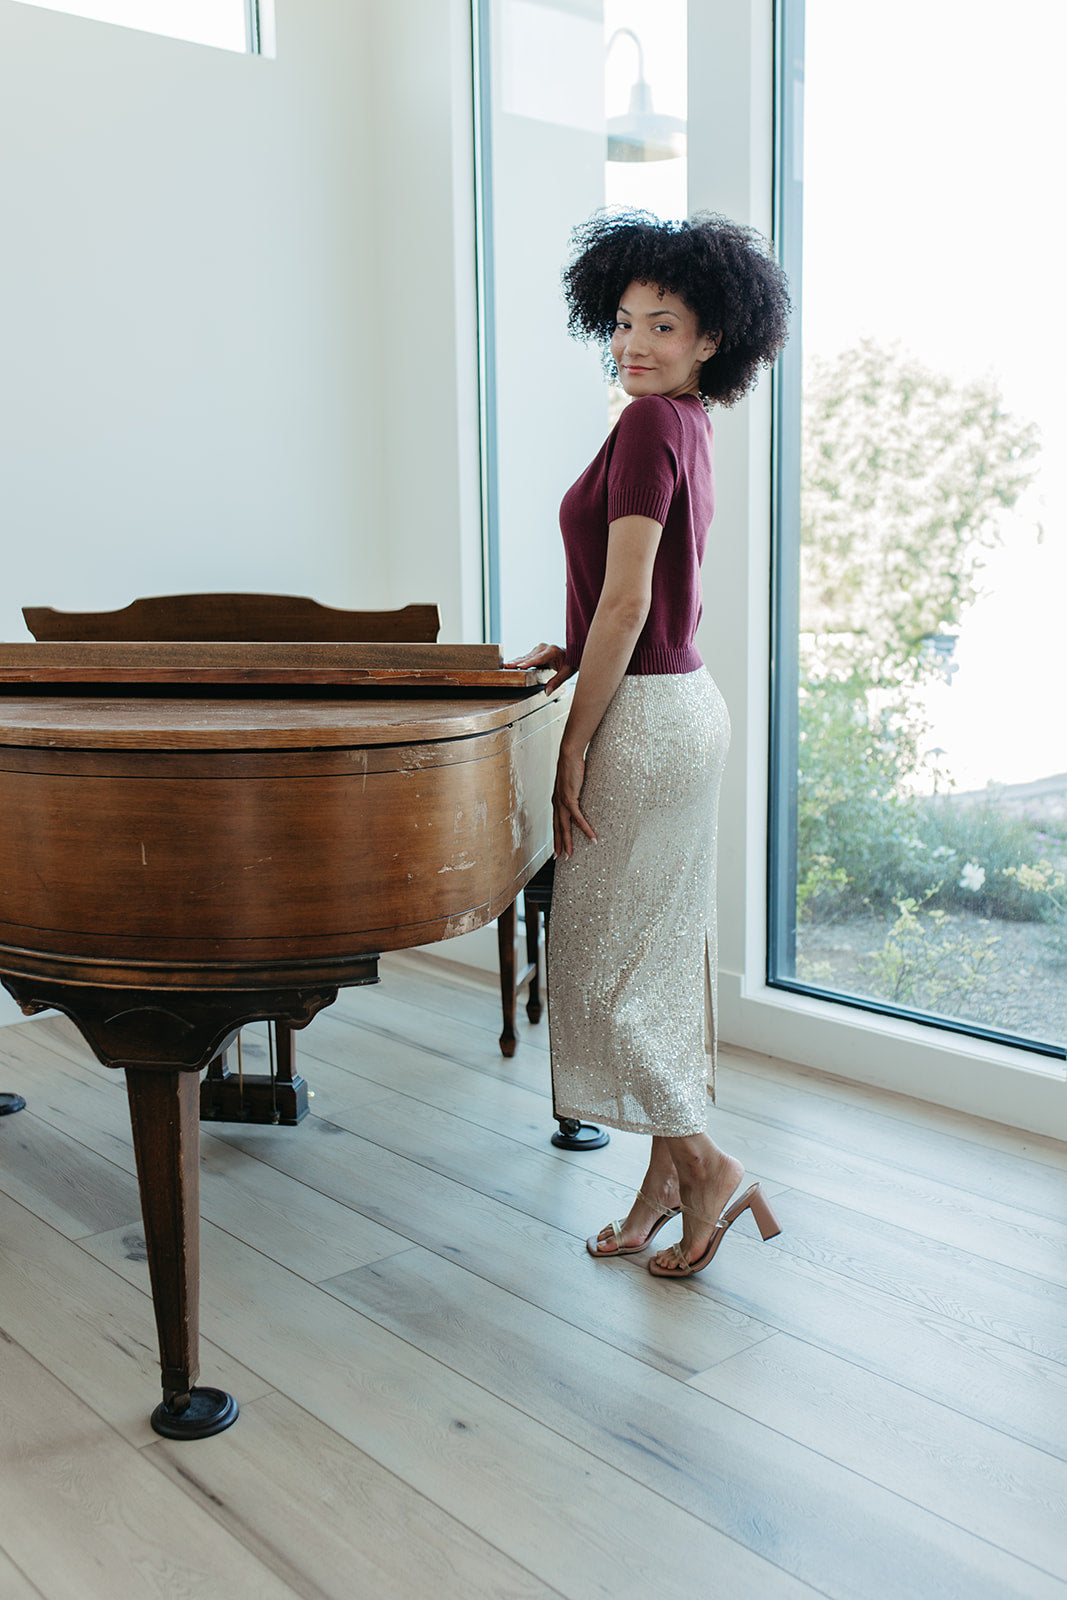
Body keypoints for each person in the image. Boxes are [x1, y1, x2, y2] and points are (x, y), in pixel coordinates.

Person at [507, 210, 789, 1278]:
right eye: (622, 321)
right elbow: (632, 603)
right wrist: (575, 646)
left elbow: (627, 602)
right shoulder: (682, 425)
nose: (632, 343)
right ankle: (662, 1183)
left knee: (600, 974)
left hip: (638, 720)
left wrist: (575, 735)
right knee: (656, 967)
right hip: (684, 707)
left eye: (661, 325)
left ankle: (707, 1167)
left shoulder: (643, 428)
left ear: (710, 337)